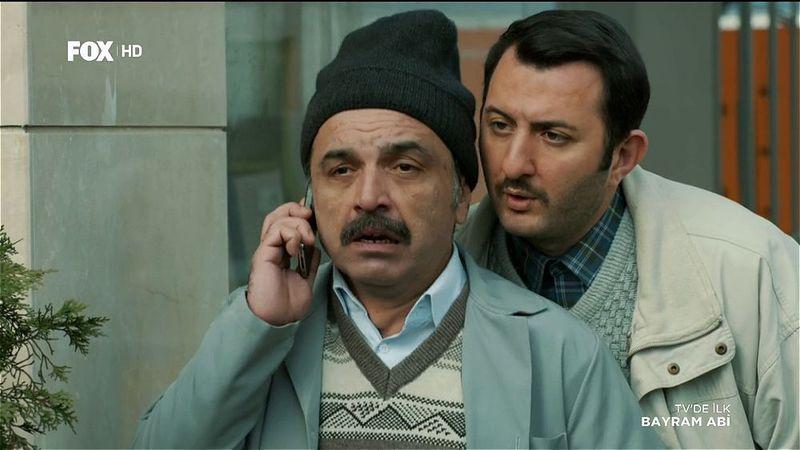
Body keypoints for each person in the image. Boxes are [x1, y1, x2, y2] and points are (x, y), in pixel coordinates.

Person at [133, 10, 662, 450]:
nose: (368, 197)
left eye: (405, 167)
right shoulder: (261, 335)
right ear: (309, 199)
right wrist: (260, 324)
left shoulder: (560, 351)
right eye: (341, 170)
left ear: (461, 195)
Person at [457, 9, 799, 449]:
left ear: (623, 156)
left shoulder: (750, 268)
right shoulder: (439, 271)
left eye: (553, 135)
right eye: (499, 126)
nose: (513, 163)